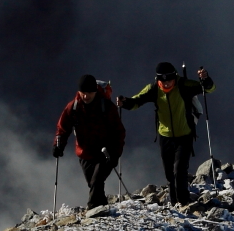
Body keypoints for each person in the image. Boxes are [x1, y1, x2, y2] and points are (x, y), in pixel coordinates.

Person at [120, 62, 214, 205]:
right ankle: (175, 202)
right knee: (170, 174)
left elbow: (208, 88)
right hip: (165, 137)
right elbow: (137, 101)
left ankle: (183, 203)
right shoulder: (153, 89)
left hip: (184, 135)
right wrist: (125, 102)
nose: (166, 83)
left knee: (179, 170)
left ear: (174, 77)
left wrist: (205, 79)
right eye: (163, 81)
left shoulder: (183, 85)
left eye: (169, 80)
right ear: (158, 80)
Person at [53, 74, 126, 208]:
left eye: (89, 93)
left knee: (96, 182)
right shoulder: (73, 107)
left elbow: (119, 132)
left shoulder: (106, 106)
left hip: (105, 152)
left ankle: (93, 212)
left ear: (95, 91)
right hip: (85, 153)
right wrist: (58, 145)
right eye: (83, 93)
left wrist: (115, 153)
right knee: (93, 184)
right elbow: (63, 129)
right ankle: (103, 209)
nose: (86, 96)